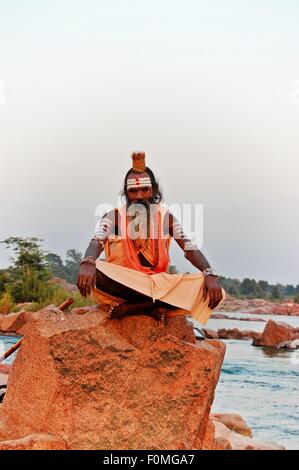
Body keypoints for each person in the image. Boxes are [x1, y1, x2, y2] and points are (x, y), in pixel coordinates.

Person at [77, 152, 225, 324]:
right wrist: (88, 262)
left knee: (212, 289)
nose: (139, 196)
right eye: (133, 191)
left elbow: (189, 248)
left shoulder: (166, 218)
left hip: (156, 283)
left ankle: (136, 307)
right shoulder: (114, 216)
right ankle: (150, 305)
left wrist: (209, 273)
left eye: (144, 189)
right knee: (98, 269)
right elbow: (97, 240)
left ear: (153, 190)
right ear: (126, 193)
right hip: (123, 283)